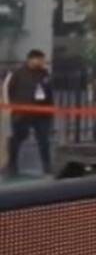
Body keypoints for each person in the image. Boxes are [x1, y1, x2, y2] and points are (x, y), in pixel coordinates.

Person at [4, 49, 54, 178]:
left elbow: (49, 91)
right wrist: (12, 107)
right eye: (40, 59)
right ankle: (12, 166)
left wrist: (50, 109)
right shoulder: (17, 73)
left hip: (41, 113)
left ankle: (47, 166)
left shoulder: (44, 73)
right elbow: (8, 90)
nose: (42, 62)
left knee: (44, 140)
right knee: (17, 139)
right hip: (22, 112)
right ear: (31, 59)